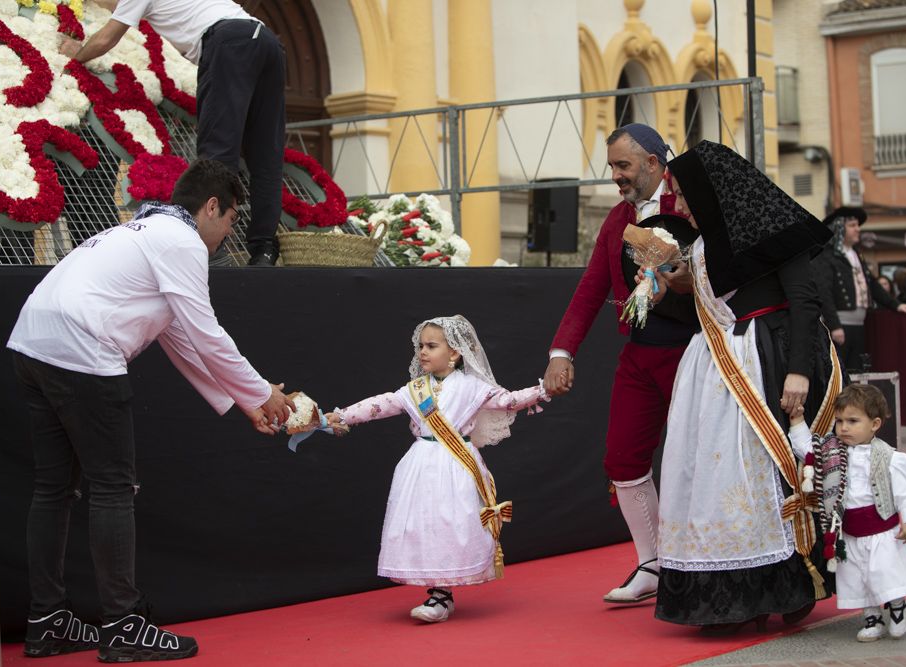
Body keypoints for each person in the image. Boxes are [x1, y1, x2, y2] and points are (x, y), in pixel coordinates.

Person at [7, 159, 295, 661]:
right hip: (82, 349)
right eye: (230, 220)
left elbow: (178, 334)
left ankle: (47, 620)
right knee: (114, 489)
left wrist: (243, 400)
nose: (229, 234)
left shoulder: (144, 229)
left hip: (33, 343)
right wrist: (261, 394)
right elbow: (205, 332)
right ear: (211, 207)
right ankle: (122, 626)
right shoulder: (181, 241)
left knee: (54, 490)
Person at [654, 140, 840, 634]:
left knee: (769, 475)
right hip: (713, 370)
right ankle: (728, 593)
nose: (682, 206)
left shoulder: (773, 226)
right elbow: (704, 313)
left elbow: (805, 301)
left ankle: (789, 584)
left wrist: (799, 369)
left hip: (768, 361)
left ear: (713, 192)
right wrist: (665, 287)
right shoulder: (699, 248)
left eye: (687, 195)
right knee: (714, 481)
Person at [542, 123, 698, 605]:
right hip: (639, 354)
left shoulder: (690, 207)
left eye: (623, 165)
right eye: (612, 166)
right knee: (622, 459)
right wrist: (561, 352)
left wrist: (685, 275)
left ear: (654, 162)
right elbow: (590, 289)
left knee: (693, 460)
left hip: (694, 353)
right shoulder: (615, 220)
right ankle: (651, 563)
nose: (616, 175)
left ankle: (700, 564)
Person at [325, 315, 550, 623]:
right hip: (420, 463)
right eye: (421, 346)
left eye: (432, 346)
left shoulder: (472, 387)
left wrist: (543, 391)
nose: (423, 352)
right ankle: (438, 593)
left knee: (449, 523)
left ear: (455, 353)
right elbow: (382, 403)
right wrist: (341, 416)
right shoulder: (416, 388)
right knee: (423, 524)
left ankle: (442, 594)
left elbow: (509, 401)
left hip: (455, 464)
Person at [61, 0, 286, 267]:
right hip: (268, 43)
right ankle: (264, 250)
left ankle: (214, 250)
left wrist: (76, 52)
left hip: (229, 42)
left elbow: (107, 38)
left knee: (217, 154)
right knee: (265, 155)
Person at [788, 384, 906, 642]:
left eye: (852, 421)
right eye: (839, 421)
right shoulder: (831, 453)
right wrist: (796, 421)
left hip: (882, 531)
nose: (844, 428)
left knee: (884, 572)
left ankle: (897, 605)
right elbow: (806, 448)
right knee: (858, 577)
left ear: (875, 424)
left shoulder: (891, 458)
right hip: (848, 532)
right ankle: (872, 618)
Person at [814, 207, 906, 372]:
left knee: (858, 370)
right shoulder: (827, 255)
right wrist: (834, 325)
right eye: (853, 225)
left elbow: (872, 285)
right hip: (840, 325)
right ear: (840, 228)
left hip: (859, 324)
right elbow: (824, 292)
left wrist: (896, 305)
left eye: (857, 225)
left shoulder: (855, 254)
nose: (858, 229)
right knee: (840, 372)